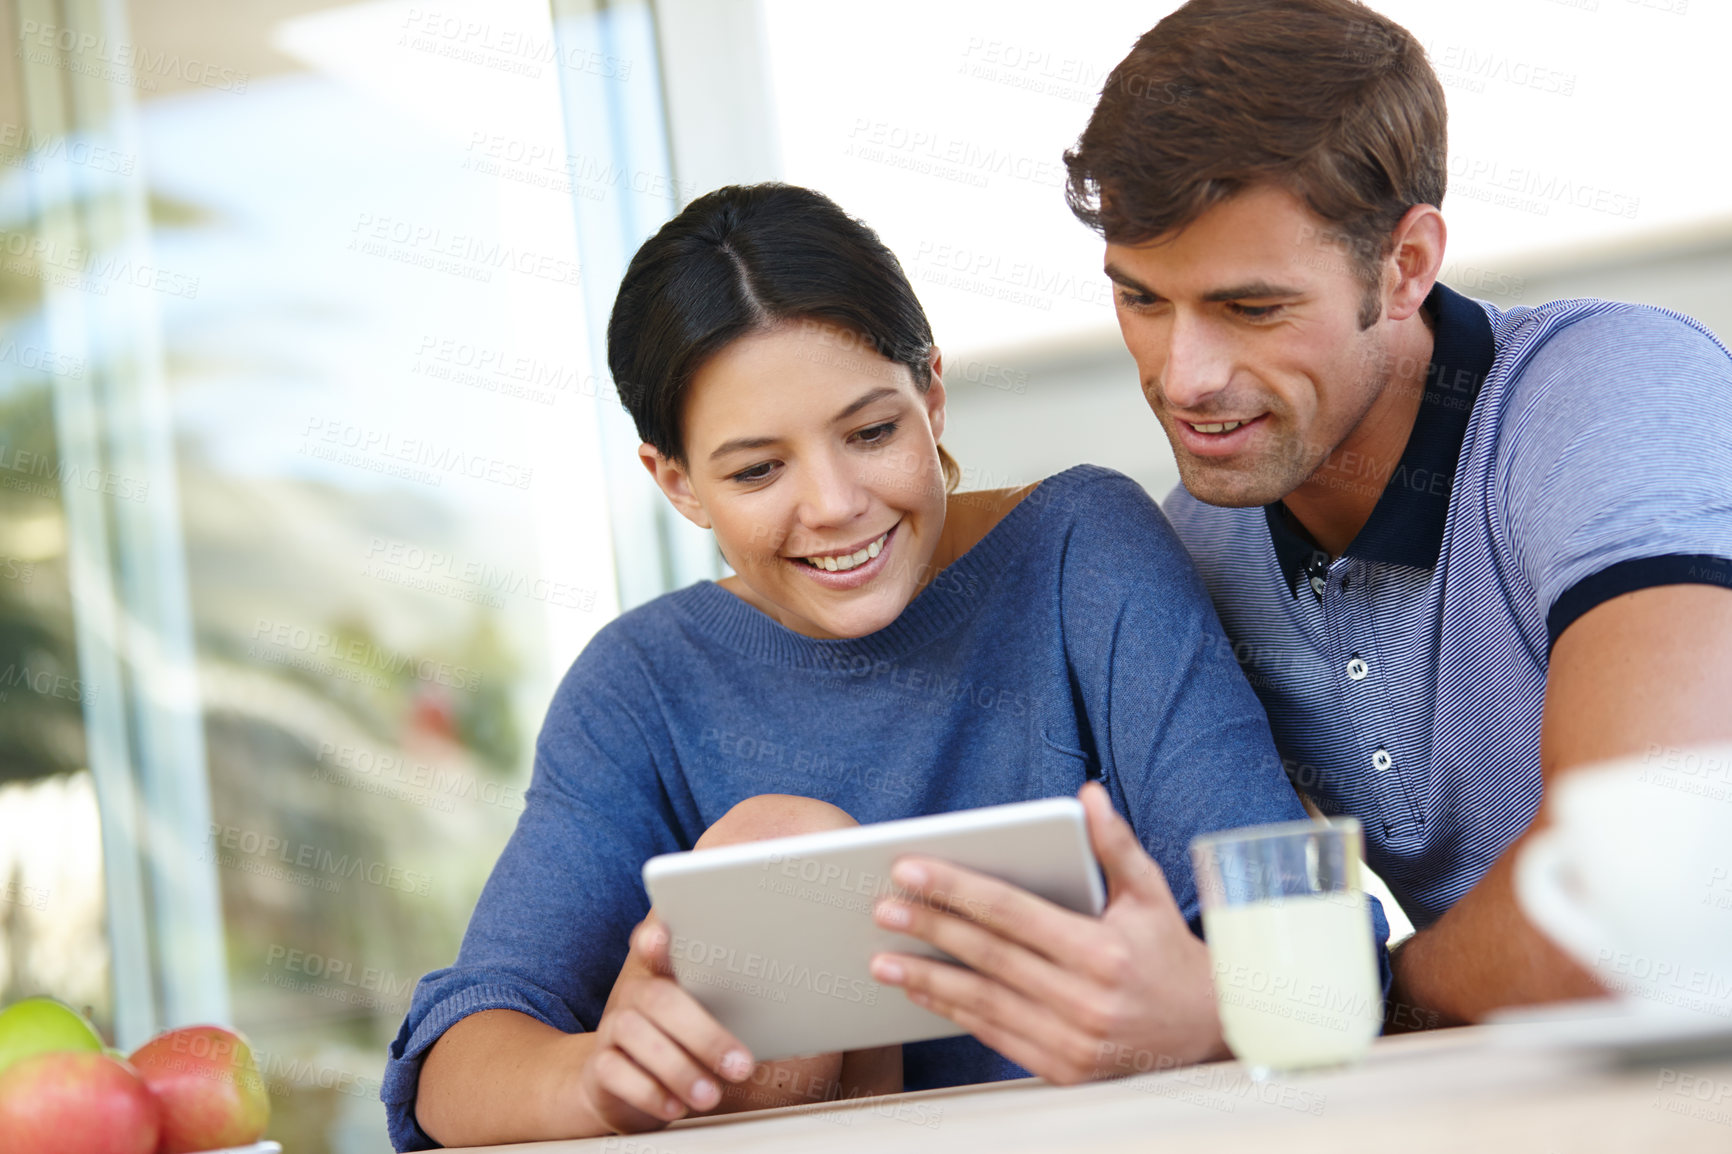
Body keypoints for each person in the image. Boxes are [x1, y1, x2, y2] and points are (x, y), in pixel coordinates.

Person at [380, 183, 1357, 1150]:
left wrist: (1200, 1006)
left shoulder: (1081, 552)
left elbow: (1306, 946)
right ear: (677, 482)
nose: (837, 503)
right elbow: (455, 1066)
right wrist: (596, 1075)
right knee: (777, 840)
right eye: (758, 469)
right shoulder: (642, 683)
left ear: (930, 392)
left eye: (871, 431)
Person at [864, 0, 1732, 1061]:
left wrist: (1354, 998)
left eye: (1252, 308)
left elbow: (1643, 895)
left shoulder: (1612, 396)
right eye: (1140, 299)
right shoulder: (1205, 546)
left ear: (1406, 265)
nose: (1183, 379)